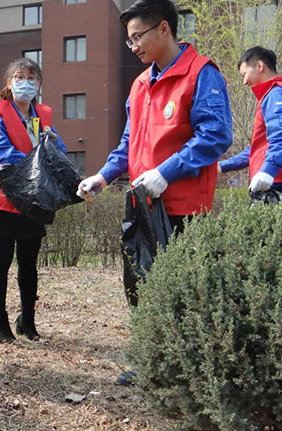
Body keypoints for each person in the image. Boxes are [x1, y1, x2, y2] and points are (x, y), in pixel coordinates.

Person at [76, 0, 232, 383]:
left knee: (181, 290)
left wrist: (167, 171)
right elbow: (129, 142)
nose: (134, 47)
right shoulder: (141, 83)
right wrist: (102, 176)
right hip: (143, 204)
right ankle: (152, 362)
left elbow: (215, 135)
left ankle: (185, 370)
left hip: (184, 207)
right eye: (129, 42)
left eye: (137, 37)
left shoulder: (201, 74)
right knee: (140, 285)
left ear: (164, 28)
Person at [0, 58, 67, 343]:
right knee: (1, 261)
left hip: (32, 200)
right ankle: (0, 322)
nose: (25, 82)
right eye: (19, 76)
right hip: (2, 198)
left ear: (39, 85)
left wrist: (53, 144)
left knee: (29, 263)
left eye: (32, 77)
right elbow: (0, 150)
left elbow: (59, 150)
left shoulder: (42, 118)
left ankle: (27, 321)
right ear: (8, 83)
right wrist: (36, 161)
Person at [218, 46, 282, 199]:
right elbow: (259, 148)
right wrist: (222, 166)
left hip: (273, 184)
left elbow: (280, 136)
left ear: (260, 66)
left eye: (244, 74)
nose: (244, 82)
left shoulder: (274, 95)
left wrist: (267, 171)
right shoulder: (271, 95)